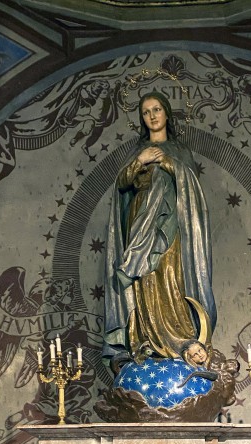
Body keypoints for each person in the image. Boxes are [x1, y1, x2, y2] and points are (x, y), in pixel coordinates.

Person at [104, 92, 216, 363]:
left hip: (170, 229)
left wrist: (167, 163)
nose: (152, 116)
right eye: (146, 112)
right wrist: (140, 161)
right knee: (145, 280)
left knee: (169, 277)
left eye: (156, 110)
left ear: (166, 113)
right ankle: (147, 341)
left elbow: (191, 190)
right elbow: (121, 185)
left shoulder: (179, 151)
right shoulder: (137, 151)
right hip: (139, 225)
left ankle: (179, 341)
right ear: (142, 119)